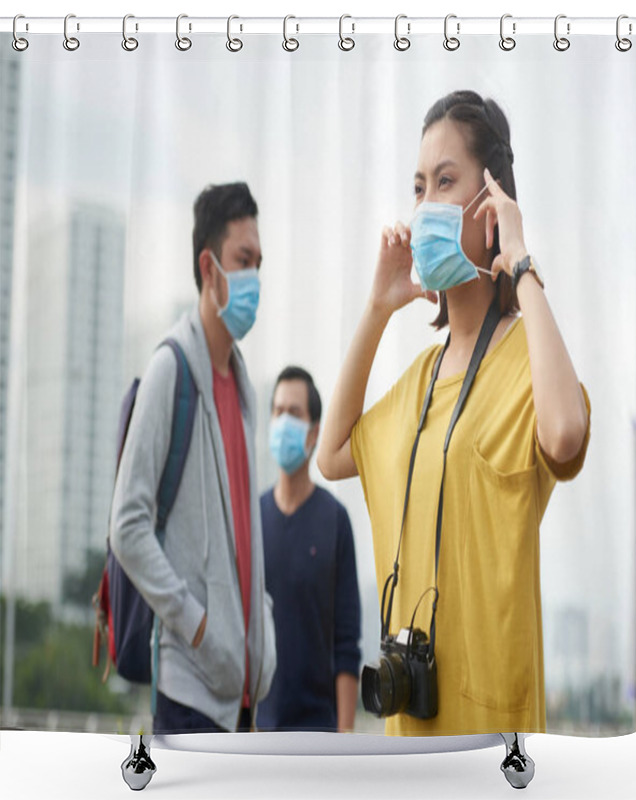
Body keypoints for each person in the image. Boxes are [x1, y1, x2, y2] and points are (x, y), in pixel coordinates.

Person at [317, 91, 591, 736]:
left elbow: (565, 435)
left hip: (494, 738)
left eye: (445, 182)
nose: (424, 207)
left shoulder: (530, 356)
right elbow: (330, 455)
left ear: (491, 201)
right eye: (418, 188)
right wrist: (379, 307)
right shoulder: (419, 381)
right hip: (409, 738)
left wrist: (520, 261)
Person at [110, 182, 276, 733]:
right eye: (242, 260)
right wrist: (197, 626)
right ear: (209, 268)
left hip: (240, 694)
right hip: (190, 691)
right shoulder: (171, 370)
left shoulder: (242, 385)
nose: (254, 278)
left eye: (259, 263)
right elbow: (127, 527)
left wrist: (261, 633)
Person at [258, 366, 361, 732]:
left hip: (319, 730)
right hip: (256, 729)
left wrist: (345, 737)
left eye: (295, 413)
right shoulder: (252, 519)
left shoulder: (334, 520)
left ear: (314, 432)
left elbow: (347, 641)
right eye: (278, 411)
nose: (284, 420)